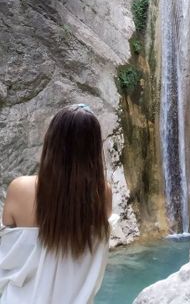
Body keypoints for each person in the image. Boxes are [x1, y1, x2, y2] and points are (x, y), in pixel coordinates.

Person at [0, 103, 114, 304]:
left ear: (50, 140)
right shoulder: (102, 193)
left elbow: (9, 255)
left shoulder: (19, 189)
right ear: (94, 148)